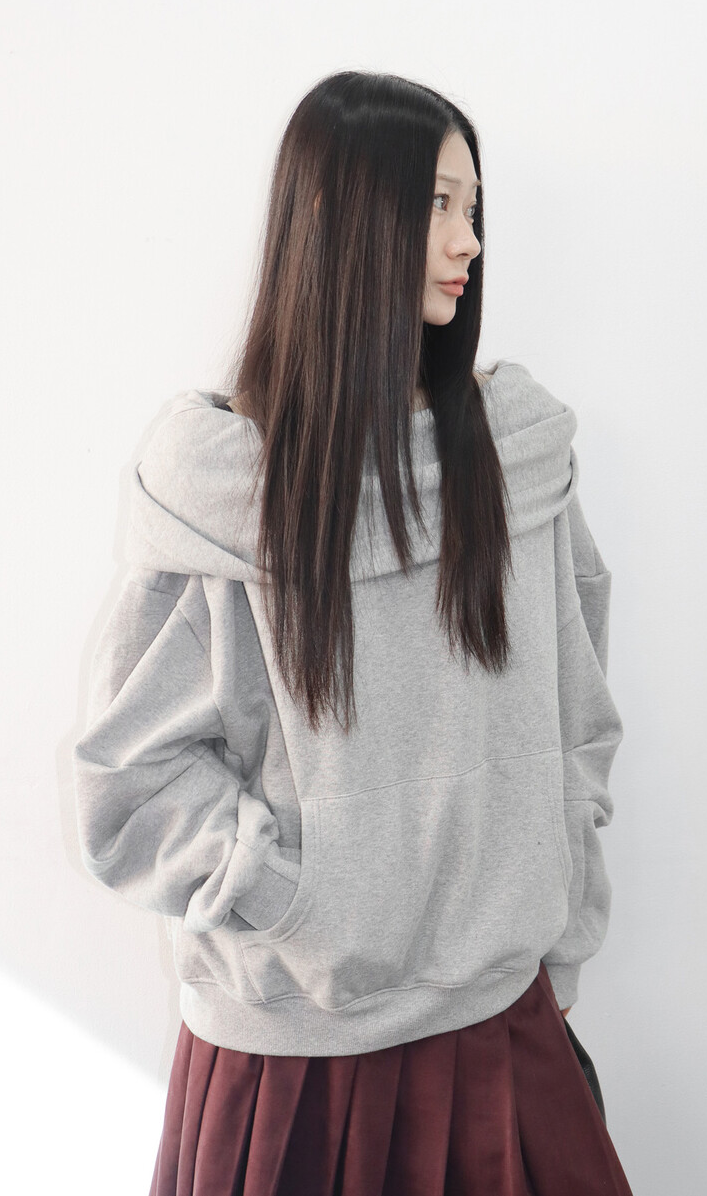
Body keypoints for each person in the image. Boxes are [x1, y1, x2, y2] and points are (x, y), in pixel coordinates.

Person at [72, 70, 633, 1195]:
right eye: (437, 204)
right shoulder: (224, 495)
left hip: (499, 1022)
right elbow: (130, 782)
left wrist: (560, 926)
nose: (469, 240)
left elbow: (577, 717)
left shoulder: (516, 458)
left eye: (474, 206)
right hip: (293, 1059)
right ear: (337, 218)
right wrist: (299, 901)